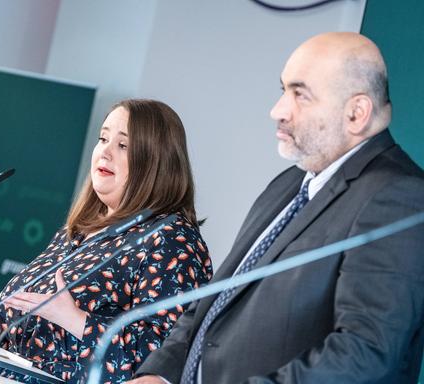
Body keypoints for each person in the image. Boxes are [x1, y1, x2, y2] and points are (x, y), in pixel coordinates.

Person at [130, 32, 424, 383]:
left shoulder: (398, 196)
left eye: (300, 94)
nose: (278, 110)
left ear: (356, 113)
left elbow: (366, 352)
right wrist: (161, 373)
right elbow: (218, 298)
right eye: (283, 90)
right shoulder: (288, 183)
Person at [0, 99, 213, 383]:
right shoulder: (76, 231)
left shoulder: (172, 241)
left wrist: (77, 320)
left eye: (123, 145)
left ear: (156, 161)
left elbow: (162, 365)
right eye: (103, 138)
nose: (105, 151)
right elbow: (27, 317)